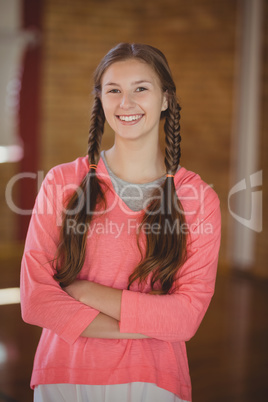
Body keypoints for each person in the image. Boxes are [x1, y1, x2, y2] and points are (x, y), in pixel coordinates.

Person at [20, 42, 221, 402]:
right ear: (101, 100)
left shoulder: (198, 198)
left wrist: (81, 291)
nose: (125, 103)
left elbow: (186, 318)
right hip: (64, 376)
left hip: (154, 381)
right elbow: (36, 300)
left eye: (140, 88)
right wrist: (153, 321)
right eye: (114, 90)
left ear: (165, 100)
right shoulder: (62, 182)